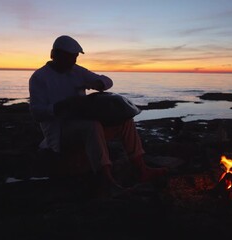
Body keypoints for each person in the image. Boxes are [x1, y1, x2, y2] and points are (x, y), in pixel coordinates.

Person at [29, 35, 167, 195]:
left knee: (125, 121)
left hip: (81, 122)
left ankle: (142, 169)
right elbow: (36, 113)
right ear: (54, 55)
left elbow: (107, 80)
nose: (73, 61)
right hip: (59, 131)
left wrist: (99, 84)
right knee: (92, 126)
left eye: (75, 58)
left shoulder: (76, 71)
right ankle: (106, 179)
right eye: (69, 57)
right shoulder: (39, 77)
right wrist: (61, 107)